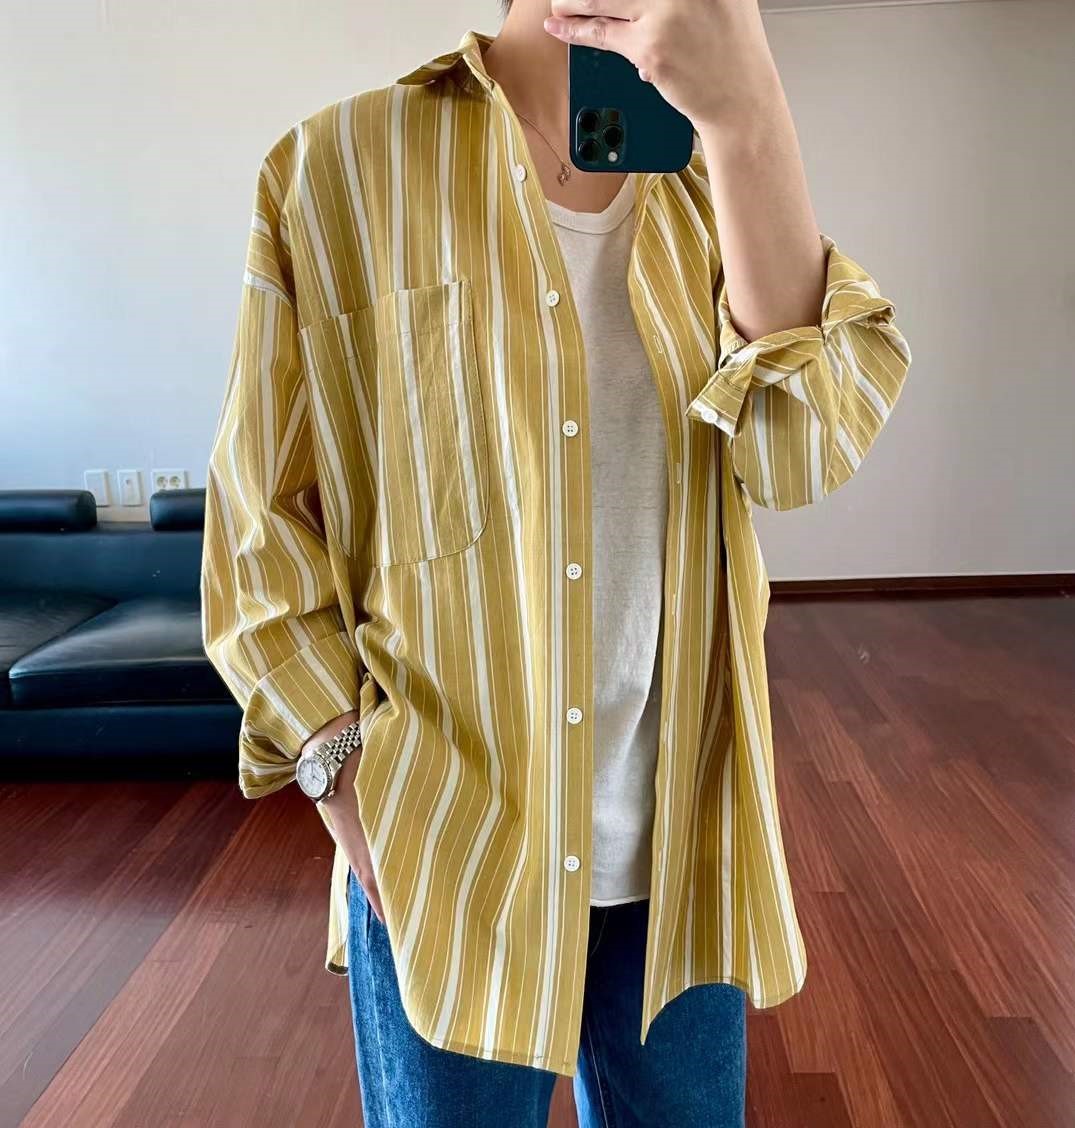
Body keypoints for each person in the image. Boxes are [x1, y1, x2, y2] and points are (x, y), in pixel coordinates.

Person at [201, 0, 912, 1124]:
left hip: (684, 851)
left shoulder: (716, 190)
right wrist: (340, 773)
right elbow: (261, 520)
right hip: (446, 847)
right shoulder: (339, 168)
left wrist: (749, 121)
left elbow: (800, 456)